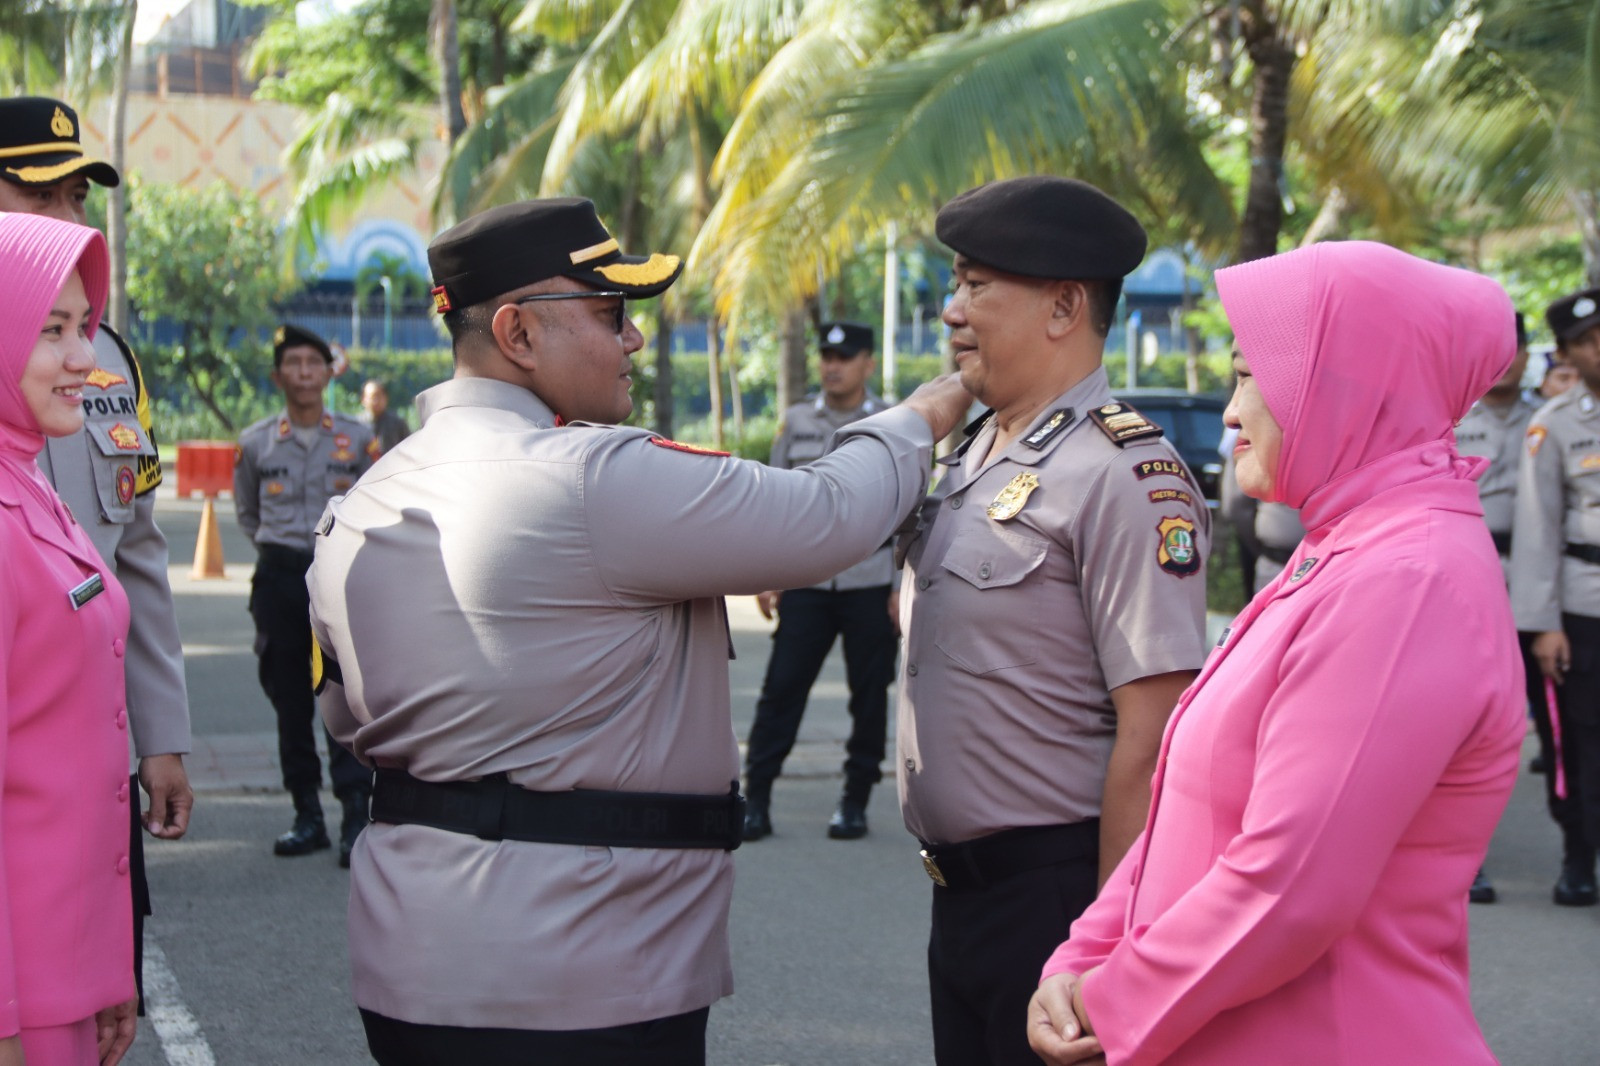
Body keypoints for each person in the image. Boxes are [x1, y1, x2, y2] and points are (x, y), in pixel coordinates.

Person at [306, 197, 972, 1065]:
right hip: (581, 975)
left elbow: (346, 725)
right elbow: (832, 514)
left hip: (410, 964)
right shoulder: (589, 478)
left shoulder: (367, 496)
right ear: (516, 332)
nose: (635, 340)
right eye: (611, 313)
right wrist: (927, 409)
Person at [1027, 241, 1525, 1066]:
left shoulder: (1407, 580)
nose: (1229, 410)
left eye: (1251, 377)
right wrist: (1081, 957)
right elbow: (1190, 811)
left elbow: (1290, 883)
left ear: (1349, 385)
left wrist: (1108, 999)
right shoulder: (1345, 543)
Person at [897, 176, 1210, 1066]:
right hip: (961, 901)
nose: (952, 312)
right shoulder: (972, 450)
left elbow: (1154, 736)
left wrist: (1108, 951)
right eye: (953, 286)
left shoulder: (1124, 474)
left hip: (1056, 894)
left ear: (1065, 306)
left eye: (977, 285)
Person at [0, 93, 193, 1011]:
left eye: (77, 196)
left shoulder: (104, 357)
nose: (68, 218)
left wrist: (160, 738)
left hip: (98, 762)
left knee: (103, 1001)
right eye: (41, 196)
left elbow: (140, 554)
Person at [0, 212, 139, 1066]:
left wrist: (103, 969)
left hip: (64, 968)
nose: (84, 355)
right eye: (49, 330)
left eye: (81, 326)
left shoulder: (29, 478)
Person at [742, 321, 896, 841]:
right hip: (806, 582)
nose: (832, 365)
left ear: (868, 363)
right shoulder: (797, 421)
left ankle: (854, 801)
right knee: (782, 689)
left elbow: (906, 514)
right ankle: (755, 798)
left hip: (871, 584)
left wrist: (901, 587)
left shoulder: (891, 424)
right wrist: (768, 573)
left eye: (845, 356)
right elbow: (775, 502)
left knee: (869, 696)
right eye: (827, 356)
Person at [235, 324, 377, 864]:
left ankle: (353, 816)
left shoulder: (358, 438)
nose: (302, 373)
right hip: (279, 580)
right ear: (277, 376)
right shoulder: (254, 443)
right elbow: (249, 514)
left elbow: (374, 501)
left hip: (340, 579)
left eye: (312, 364)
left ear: (327, 372)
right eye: (291, 364)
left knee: (345, 694)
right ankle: (306, 816)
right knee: (291, 699)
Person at [1510, 285, 1600, 907]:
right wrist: (1542, 625)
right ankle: (1579, 855)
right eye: (1587, 344)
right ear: (1567, 353)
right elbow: (1538, 529)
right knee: (1579, 735)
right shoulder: (1554, 426)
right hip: (1583, 604)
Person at [360, 378, 410, 453]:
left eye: (379, 396)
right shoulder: (357, 424)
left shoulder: (397, 424)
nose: (376, 401)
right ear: (363, 399)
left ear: (386, 398)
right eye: (372, 397)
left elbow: (409, 447)